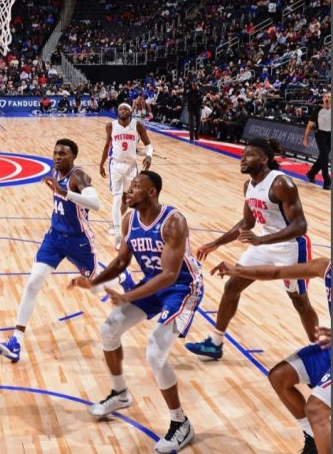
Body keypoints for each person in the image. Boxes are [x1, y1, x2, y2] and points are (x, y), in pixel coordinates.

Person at [70, 170, 204, 453]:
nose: (128, 192)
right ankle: (120, 393)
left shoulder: (173, 221)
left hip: (182, 287)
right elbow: (122, 261)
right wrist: (94, 282)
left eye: (135, 187)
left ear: (151, 192)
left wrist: (127, 296)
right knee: (108, 330)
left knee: (155, 352)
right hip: (154, 282)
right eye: (129, 187)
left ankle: (181, 423)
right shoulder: (130, 219)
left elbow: (170, 275)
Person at [186, 138, 318, 359]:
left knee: (299, 301)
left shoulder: (281, 184)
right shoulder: (249, 186)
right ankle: (215, 343)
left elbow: (300, 226)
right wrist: (216, 243)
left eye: (249, 155)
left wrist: (261, 240)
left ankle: (322, 352)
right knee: (232, 287)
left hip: (290, 247)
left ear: (264, 159)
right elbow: (247, 223)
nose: (243, 158)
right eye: (242, 154)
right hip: (263, 243)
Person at [0, 139, 103, 363]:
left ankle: (124, 280)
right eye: (55, 153)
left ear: (73, 157)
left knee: (96, 285)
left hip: (79, 240)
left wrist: (65, 193)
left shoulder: (78, 176)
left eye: (63, 154)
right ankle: (15, 342)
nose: (58, 157)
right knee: (33, 282)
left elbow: (96, 203)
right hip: (54, 237)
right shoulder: (55, 172)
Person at [211, 258, 330, 454]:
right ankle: (312, 438)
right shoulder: (325, 267)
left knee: (316, 409)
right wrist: (237, 270)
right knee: (279, 376)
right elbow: (278, 271)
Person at [99, 102, 153, 249]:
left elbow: (148, 144)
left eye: (125, 109)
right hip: (115, 165)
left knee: (129, 199)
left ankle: (119, 222)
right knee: (117, 198)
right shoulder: (110, 126)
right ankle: (118, 235)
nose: (122, 110)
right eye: (120, 109)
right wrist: (101, 163)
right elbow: (107, 145)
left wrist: (149, 156)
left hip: (131, 166)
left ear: (130, 112)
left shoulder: (138, 125)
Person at [303, 92, 330, 190]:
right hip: (320, 135)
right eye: (326, 97)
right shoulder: (318, 109)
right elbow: (310, 125)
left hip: (330, 135)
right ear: (323, 98)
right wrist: (305, 138)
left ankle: (311, 173)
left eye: (329, 97)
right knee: (325, 156)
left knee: (322, 157)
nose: (327, 98)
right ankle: (327, 181)